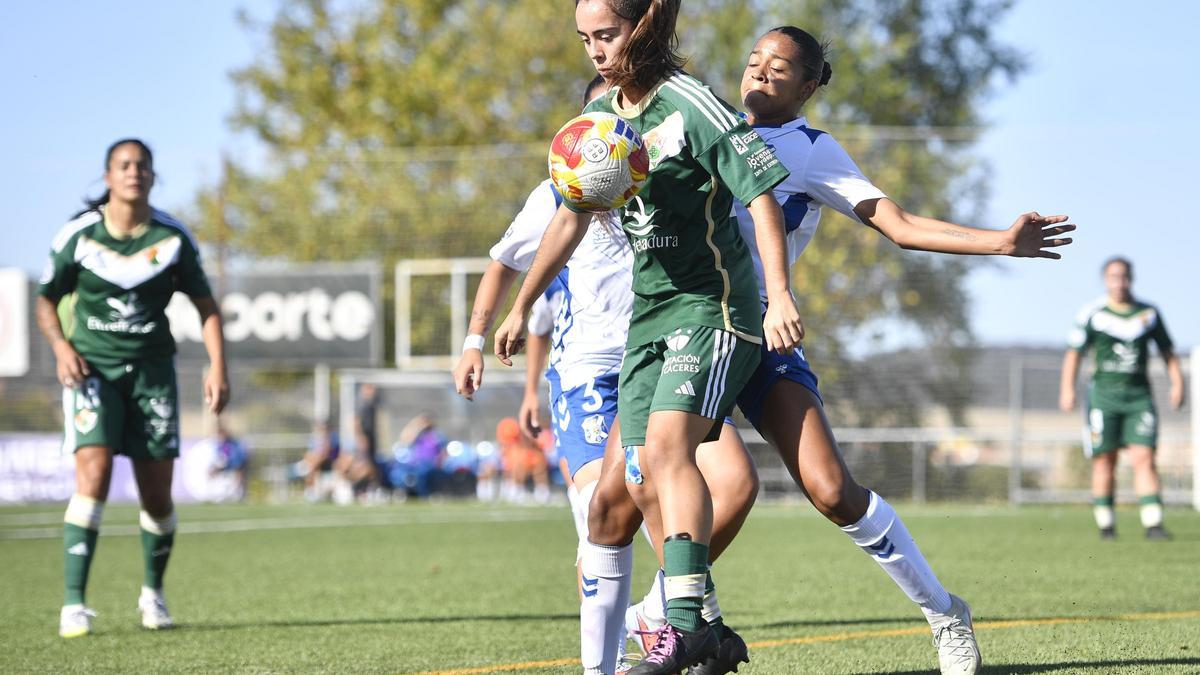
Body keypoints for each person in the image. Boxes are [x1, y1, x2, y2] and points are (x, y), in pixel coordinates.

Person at [622, 26, 1070, 675]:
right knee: (676, 478)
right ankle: (670, 616)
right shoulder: (701, 124)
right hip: (692, 330)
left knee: (833, 490)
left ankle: (945, 611)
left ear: (808, 87)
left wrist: (1000, 241)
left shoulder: (809, 151)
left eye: (781, 68)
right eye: (754, 61)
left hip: (761, 334)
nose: (762, 72)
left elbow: (902, 226)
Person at [493, 2, 804, 671]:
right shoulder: (603, 125)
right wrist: (519, 307)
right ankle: (713, 629)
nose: (596, 50)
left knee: (666, 449)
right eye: (585, 39)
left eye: (606, 34)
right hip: (651, 319)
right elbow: (569, 219)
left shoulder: (694, 105)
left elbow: (763, 200)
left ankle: (684, 624)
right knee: (638, 478)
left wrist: (779, 294)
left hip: (714, 308)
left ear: (642, 27)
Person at [456, 72, 761, 675]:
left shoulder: (656, 182)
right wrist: (477, 339)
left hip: (667, 351)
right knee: (607, 508)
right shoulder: (557, 195)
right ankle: (617, 658)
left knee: (733, 483)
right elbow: (504, 265)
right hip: (589, 373)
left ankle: (677, 613)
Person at [35, 138, 228, 638]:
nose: (134, 172)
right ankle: (74, 604)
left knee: (157, 495)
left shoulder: (172, 237)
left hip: (152, 375)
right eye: (124, 165)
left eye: (142, 165)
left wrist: (217, 366)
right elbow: (45, 300)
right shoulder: (78, 236)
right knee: (93, 473)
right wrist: (60, 347)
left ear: (152, 176)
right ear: (107, 177)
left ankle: (152, 593)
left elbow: (206, 306)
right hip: (91, 372)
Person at [1059, 257, 1183, 540]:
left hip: (1139, 397)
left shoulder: (1148, 313)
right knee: (1105, 460)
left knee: (1145, 457)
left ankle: (1153, 524)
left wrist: (1178, 383)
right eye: (1114, 277)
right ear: (1105, 280)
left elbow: (1167, 352)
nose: (1120, 282)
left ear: (1131, 278)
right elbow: (1074, 353)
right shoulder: (1093, 313)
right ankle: (1107, 525)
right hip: (1103, 397)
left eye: (1124, 276)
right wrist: (1067, 389)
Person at [198, 421, 249, 502]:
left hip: (234, 469)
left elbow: (237, 461)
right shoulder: (218, 445)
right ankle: (210, 494)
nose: (219, 437)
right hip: (224, 469)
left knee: (238, 473)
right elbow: (218, 460)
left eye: (221, 434)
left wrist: (224, 464)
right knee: (211, 472)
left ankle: (238, 494)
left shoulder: (233, 445)